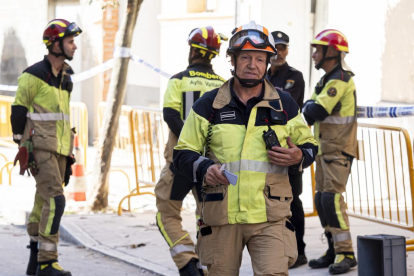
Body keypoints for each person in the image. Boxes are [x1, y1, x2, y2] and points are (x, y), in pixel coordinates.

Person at [173, 21, 318, 275]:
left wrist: (299, 156)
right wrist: (204, 167)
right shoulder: (209, 105)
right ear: (232, 60)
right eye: (246, 57)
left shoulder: (284, 105)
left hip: (270, 219)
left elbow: (310, 146)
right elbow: (182, 154)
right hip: (222, 218)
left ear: (268, 63)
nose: (253, 65)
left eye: (260, 59)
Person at [10, 19, 81, 276]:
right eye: (71, 41)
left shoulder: (66, 78)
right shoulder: (33, 75)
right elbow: (18, 109)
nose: (75, 46)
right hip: (40, 147)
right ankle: (47, 262)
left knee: (42, 202)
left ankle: (34, 256)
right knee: (56, 201)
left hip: (60, 149)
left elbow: (62, 119)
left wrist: (69, 155)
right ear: (55, 44)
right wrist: (22, 143)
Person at [155, 26, 226, 276]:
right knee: (206, 217)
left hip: (181, 163)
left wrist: (189, 146)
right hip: (211, 165)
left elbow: (170, 115)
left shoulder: (179, 80)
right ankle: (205, 267)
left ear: (192, 51)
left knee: (166, 214)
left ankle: (187, 262)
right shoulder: (222, 85)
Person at [303, 29, 358, 275]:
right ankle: (334, 249)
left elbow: (316, 110)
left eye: (318, 49)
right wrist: (308, 106)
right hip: (324, 150)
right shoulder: (326, 79)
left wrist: (309, 106)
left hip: (339, 150)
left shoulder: (340, 80)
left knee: (332, 200)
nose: (314, 54)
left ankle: (346, 252)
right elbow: (308, 106)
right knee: (321, 200)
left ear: (332, 51)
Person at [267, 30, 307, 268]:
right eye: (276, 48)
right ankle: (278, 251)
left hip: (290, 149)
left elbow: (282, 106)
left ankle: (299, 251)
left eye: (283, 48)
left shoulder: (294, 77)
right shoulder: (260, 75)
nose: (279, 53)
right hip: (265, 152)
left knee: (293, 201)